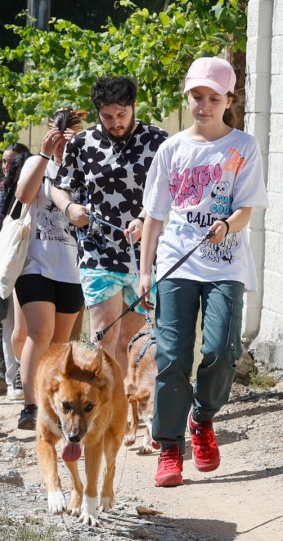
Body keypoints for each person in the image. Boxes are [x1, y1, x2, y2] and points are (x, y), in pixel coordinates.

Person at [138, 57, 268, 487]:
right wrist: (144, 272)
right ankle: (170, 447)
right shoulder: (171, 148)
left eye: (215, 98)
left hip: (225, 263)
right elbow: (154, 216)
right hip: (176, 262)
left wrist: (228, 224)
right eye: (197, 96)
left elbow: (247, 207)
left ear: (228, 99)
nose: (205, 105)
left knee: (222, 350)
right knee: (173, 356)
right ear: (187, 96)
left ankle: (202, 418)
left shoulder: (243, 146)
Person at [53, 77, 167, 374]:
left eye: (122, 114)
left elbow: (170, 193)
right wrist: (69, 207)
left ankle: (127, 412)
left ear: (134, 107)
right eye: (107, 116)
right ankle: (102, 415)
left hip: (144, 255)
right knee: (103, 336)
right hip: (97, 252)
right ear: (97, 113)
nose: (115, 122)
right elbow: (59, 186)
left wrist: (144, 219)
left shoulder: (159, 141)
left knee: (131, 341)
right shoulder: (82, 143)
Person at [7, 112, 84, 430]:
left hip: (72, 268)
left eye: (72, 131)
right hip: (34, 264)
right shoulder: (36, 164)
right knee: (38, 333)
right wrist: (43, 154)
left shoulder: (87, 166)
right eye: (59, 129)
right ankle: (30, 406)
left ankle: (52, 404)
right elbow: (23, 196)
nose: (65, 136)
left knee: (60, 344)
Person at [0, 143, 29, 395]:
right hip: (9, 265)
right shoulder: (0, 193)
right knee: (9, 324)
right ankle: (12, 376)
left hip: (36, 265)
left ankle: (27, 375)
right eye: (6, 162)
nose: (8, 166)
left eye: (14, 162)